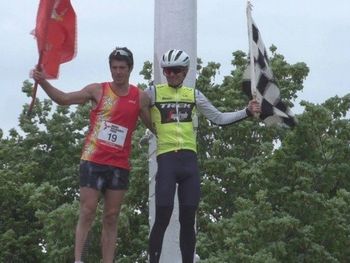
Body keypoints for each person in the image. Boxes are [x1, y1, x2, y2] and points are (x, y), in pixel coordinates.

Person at [32, 47, 153, 263]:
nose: (118, 72)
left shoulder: (139, 97)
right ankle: (79, 259)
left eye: (122, 68)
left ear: (130, 69)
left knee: (111, 216)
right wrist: (43, 82)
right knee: (87, 211)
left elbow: (153, 124)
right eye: (114, 68)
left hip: (119, 164)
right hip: (93, 160)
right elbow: (64, 99)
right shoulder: (98, 90)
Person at [146, 49, 261, 263]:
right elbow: (132, 107)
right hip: (167, 159)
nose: (170, 75)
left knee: (188, 217)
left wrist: (246, 111)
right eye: (166, 71)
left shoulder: (194, 95)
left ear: (186, 71)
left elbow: (218, 118)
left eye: (175, 70)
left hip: (189, 162)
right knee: (163, 212)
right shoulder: (153, 92)